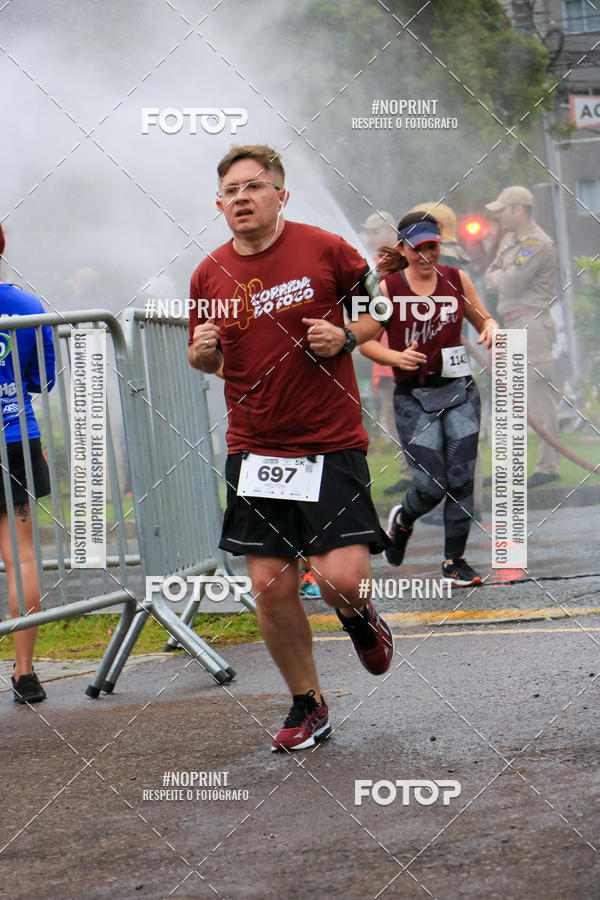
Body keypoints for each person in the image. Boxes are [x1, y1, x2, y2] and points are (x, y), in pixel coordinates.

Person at [187, 144, 393, 753]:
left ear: (281, 194)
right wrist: (203, 357)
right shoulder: (208, 273)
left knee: (341, 578)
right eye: (230, 190)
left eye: (254, 186)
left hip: (327, 442)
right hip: (254, 447)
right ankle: (309, 704)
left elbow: (378, 312)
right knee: (272, 588)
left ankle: (359, 617)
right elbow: (209, 355)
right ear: (219, 203)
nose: (241, 198)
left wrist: (347, 335)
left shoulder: (325, 249)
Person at [360, 212, 498, 587]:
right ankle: (403, 520)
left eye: (432, 247)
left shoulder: (455, 279)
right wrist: (396, 358)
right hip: (413, 397)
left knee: (461, 478)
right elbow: (365, 340)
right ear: (404, 248)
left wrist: (490, 327)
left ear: (440, 245)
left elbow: (482, 317)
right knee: (432, 484)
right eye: (418, 248)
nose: (426, 255)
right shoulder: (387, 288)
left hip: (459, 392)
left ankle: (454, 561)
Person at [0, 223, 55, 703]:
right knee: (21, 558)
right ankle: (24, 672)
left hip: (15, 439)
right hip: (15, 436)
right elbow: (42, 378)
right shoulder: (27, 306)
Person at [484, 186, 560, 488]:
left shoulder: (536, 244)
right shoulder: (509, 241)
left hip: (532, 324)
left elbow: (511, 282)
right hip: (512, 323)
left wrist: (498, 277)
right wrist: (498, 277)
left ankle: (547, 467)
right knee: (508, 399)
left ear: (518, 209)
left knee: (538, 397)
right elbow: (491, 277)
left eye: (502, 210)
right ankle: (507, 469)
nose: (498, 216)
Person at [359, 211, 412, 494]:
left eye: (375, 231)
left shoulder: (404, 260)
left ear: (392, 231)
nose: (370, 237)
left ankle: (423, 476)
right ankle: (409, 475)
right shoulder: (371, 266)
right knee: (394, 419)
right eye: (367, 232)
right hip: (385, 357)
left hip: (407, 353)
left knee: (416, 419)